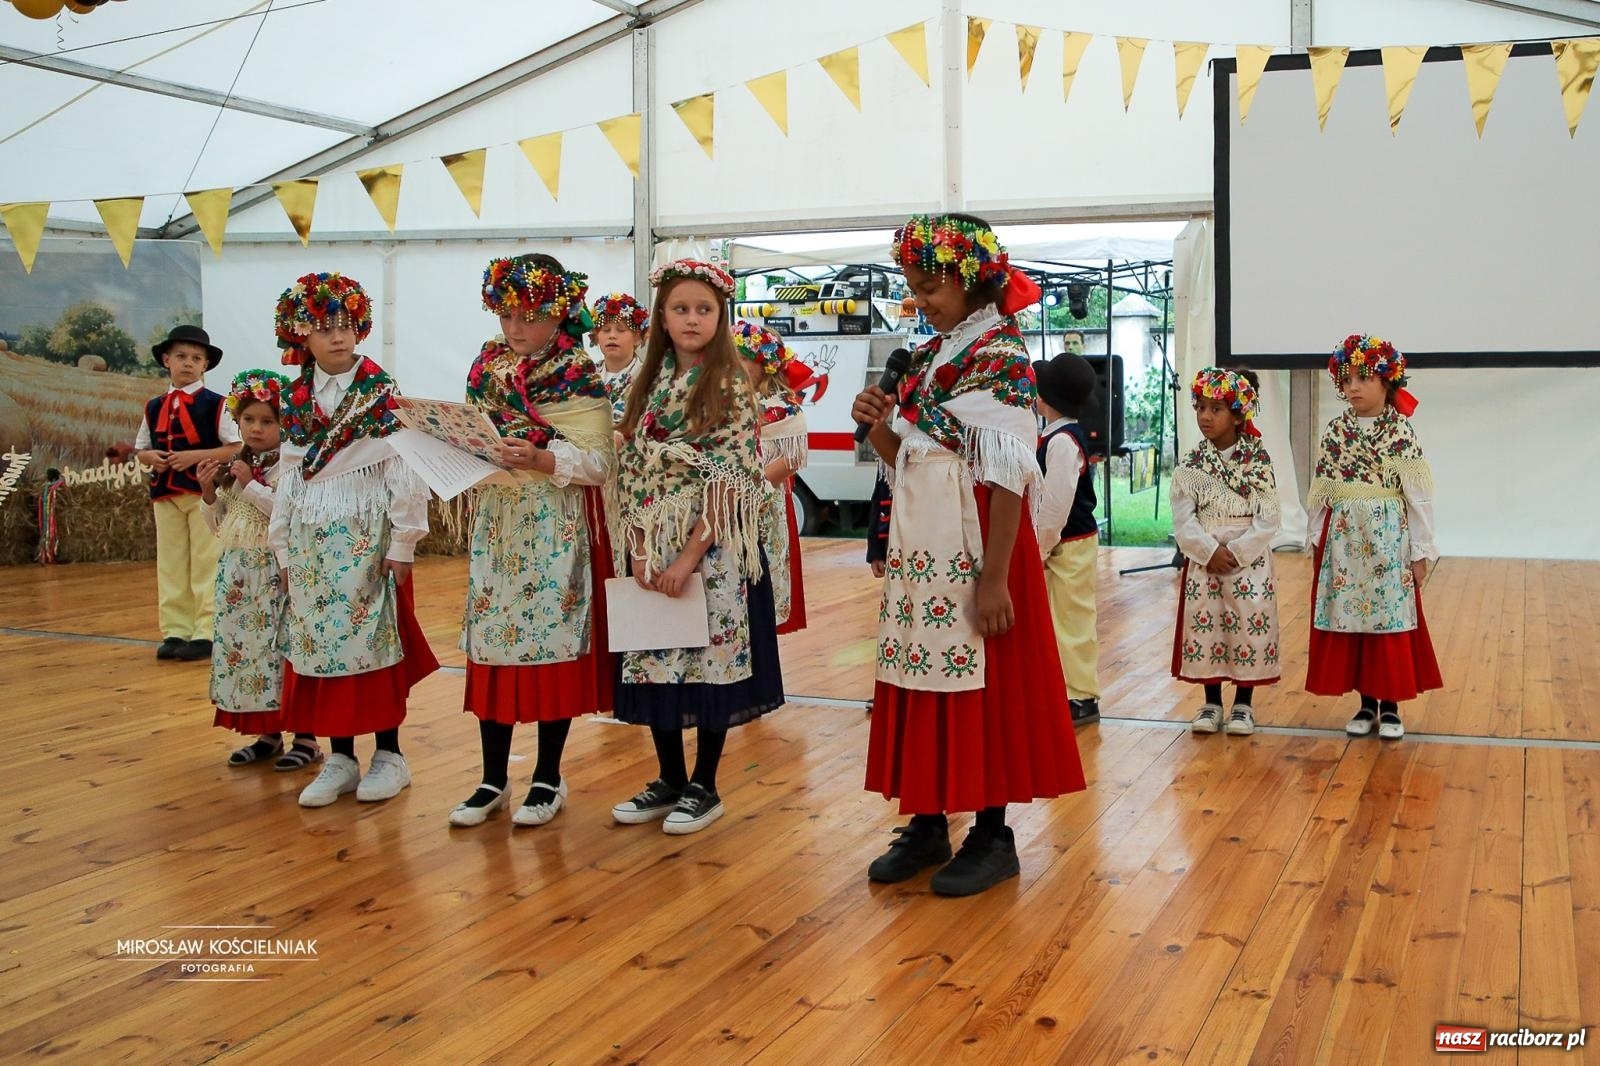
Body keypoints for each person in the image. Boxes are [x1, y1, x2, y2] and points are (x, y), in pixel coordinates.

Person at [852, 214, 1086, 897]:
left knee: (988, 684)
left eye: (929, 286)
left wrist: (995, 578)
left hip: (981, 540)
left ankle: (992, 832)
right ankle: (927, 818)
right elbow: (910, 457)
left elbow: (1009, 468)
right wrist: (877, 427)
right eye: (914, 288)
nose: (919, 300)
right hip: (924, 543)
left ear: (971, 278)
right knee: (922, 676)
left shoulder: (1002, 354)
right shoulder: (929, 357)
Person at [609, 259, 784, 835]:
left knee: (710, 660)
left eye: (703, 310)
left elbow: (732, 477)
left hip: (711, 542)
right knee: (656, 652)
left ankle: (705, 784)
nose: (692, 319)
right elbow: (628, 469)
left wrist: (688, 556)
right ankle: (668, 778)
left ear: (720, 317)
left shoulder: (731, 383)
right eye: (681, 308)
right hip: (651, 533)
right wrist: (638, 547)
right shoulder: (646, 380)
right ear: (661, 315)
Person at [450, 254, 617, 828]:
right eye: (505, 315)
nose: (514, 328)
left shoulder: (578, 372)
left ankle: (548, 775)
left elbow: (600, 462)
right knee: (492, 644)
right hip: (496, 524)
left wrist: (544, 457)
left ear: (558, 312)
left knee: (549, 644)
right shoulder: (486, 365)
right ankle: (492, 776)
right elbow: (472, 426)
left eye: (528, 315)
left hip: (553, 526)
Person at [267, 272, 440, 807]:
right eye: (322, 327)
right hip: (313, 541)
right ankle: (341, 756)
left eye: (345, 325)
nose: (337, 337)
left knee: (375, 645)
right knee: (323, 647)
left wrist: (403, 544)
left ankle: (389, 754)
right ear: (302, 335)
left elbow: (403, 466)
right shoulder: (295, 399)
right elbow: (289, 476)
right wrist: (283, 547)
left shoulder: (379, 393)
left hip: (369, 537)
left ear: (360, 327)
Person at [1306, 335, 1441, 739]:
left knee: (1389, 618)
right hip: (1345, 541)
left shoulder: (1400, 432)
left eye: (1363, 378)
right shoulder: (1335, 433)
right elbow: (1322, 490)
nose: (1353, 388)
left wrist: (1421, 551)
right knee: (1354, 619)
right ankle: (1365, 703)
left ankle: (1392, 705)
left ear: (1386, 381)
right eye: (1346, 380)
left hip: (1388, 540)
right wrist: (1315, 537)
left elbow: (1418, 497)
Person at [196, 369, 323, 771]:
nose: (256, 428)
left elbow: (288, 514)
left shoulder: (290, 467)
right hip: (238, 575)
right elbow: (220, 525)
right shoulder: (237, 464)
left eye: (268, 421)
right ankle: (268, 733)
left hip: (276, 572)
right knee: (251, 654)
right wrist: (209, 494)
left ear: (285, 423)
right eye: (249, 420)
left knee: (285, 649)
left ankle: (306, 735)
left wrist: (251, 484)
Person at [1170, 368, 1281, 735]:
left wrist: (1237, 551)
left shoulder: (1258, 462)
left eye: (1216, 409)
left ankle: (1244, 706)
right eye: (1200, 407)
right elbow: (1183, 519)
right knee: (1209, 625)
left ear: (1238, 414)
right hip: (1206, 560)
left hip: (1246, 560)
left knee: (1247, 625)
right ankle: (1211, 702)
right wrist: (1206, 551)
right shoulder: (1191, 465)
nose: (1205, 416)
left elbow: (1269, 517)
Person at [135, 325, 240, 662]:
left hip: (202, 492)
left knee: (206, 561)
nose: (188, 363)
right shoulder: (153, 406)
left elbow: (235, 447)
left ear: (206, 365)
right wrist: (151, 457)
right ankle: (175, 629)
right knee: (171, 562)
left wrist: (194, 458)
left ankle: (205, 631)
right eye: (181, 356)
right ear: (166, 360)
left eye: (196, 358)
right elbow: (142, 449)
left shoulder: (217, 404)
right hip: (164, 492)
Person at [1032, 351, 1102, 726]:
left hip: (1067, 543)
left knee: (1072, 619)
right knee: (1060, 617)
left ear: (1044, 399)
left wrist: (1040, 547)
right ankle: (1063, 689)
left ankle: (1081, 696)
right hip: (1064, 542)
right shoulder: (1056, 435)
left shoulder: (1060, 442)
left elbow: (1057, 503)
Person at [733, 319, 814, 635]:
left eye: (743, 361)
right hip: (723, 505)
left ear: (764, 365)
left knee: (761, 580)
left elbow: (792, 458)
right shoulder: (724, 403)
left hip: (764, 504)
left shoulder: (783, 407)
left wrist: (749, 485)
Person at [590, 291, 648, 425]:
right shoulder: (587, 374)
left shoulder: (648, 376)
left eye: (621, 330)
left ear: (638, 338)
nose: (612, 336)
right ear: (596, 336)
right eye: (605, 330)